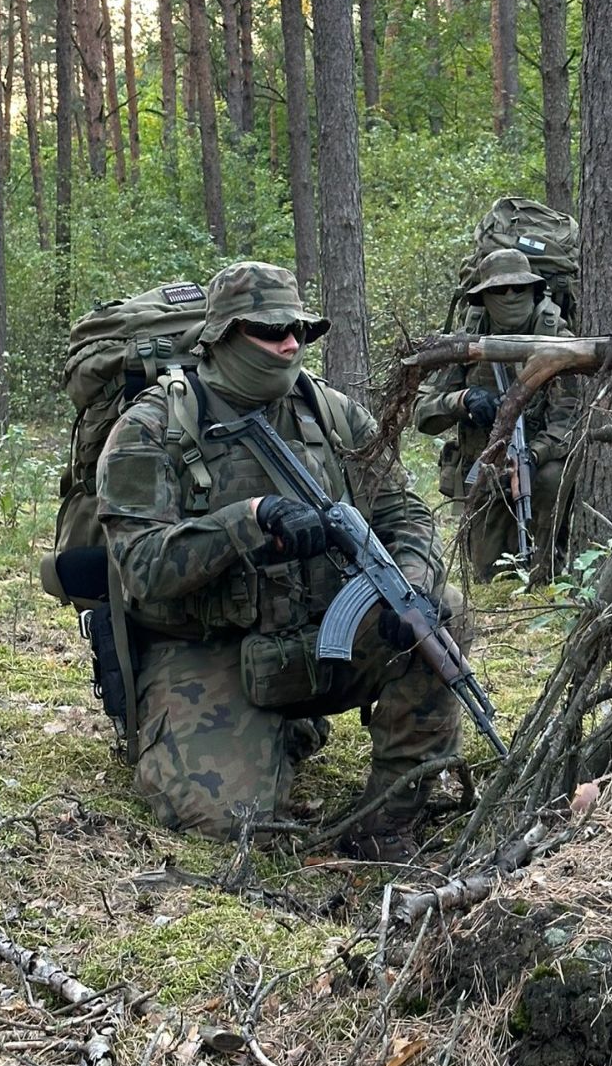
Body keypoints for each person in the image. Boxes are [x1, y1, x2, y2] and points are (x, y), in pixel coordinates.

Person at [96, 261, 468, 863]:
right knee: (223, 823)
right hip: (211, 648)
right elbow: (142, 568)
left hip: (319, 636)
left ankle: (387, 819)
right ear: (222, 336)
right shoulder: (153, 428)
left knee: (436, 617)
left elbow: (404, 511)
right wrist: (247, 521)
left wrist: (415, 583)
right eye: (271, 331)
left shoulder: (332, 413)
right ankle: (272, 732)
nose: (291, 344)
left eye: (300, 330)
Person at [413, 248, 577, 580]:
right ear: (484, 297)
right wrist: (463, 399)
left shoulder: (558, 340)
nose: (510, 296)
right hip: (484, 462)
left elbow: (568, 419)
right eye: (500, 290)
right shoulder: (466, 341)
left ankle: (545, 568)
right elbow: (423, 412)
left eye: (519, 288)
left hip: (537, 459)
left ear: (534, 290)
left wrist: (533, 455)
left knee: (552, 478)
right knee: (487, 575)